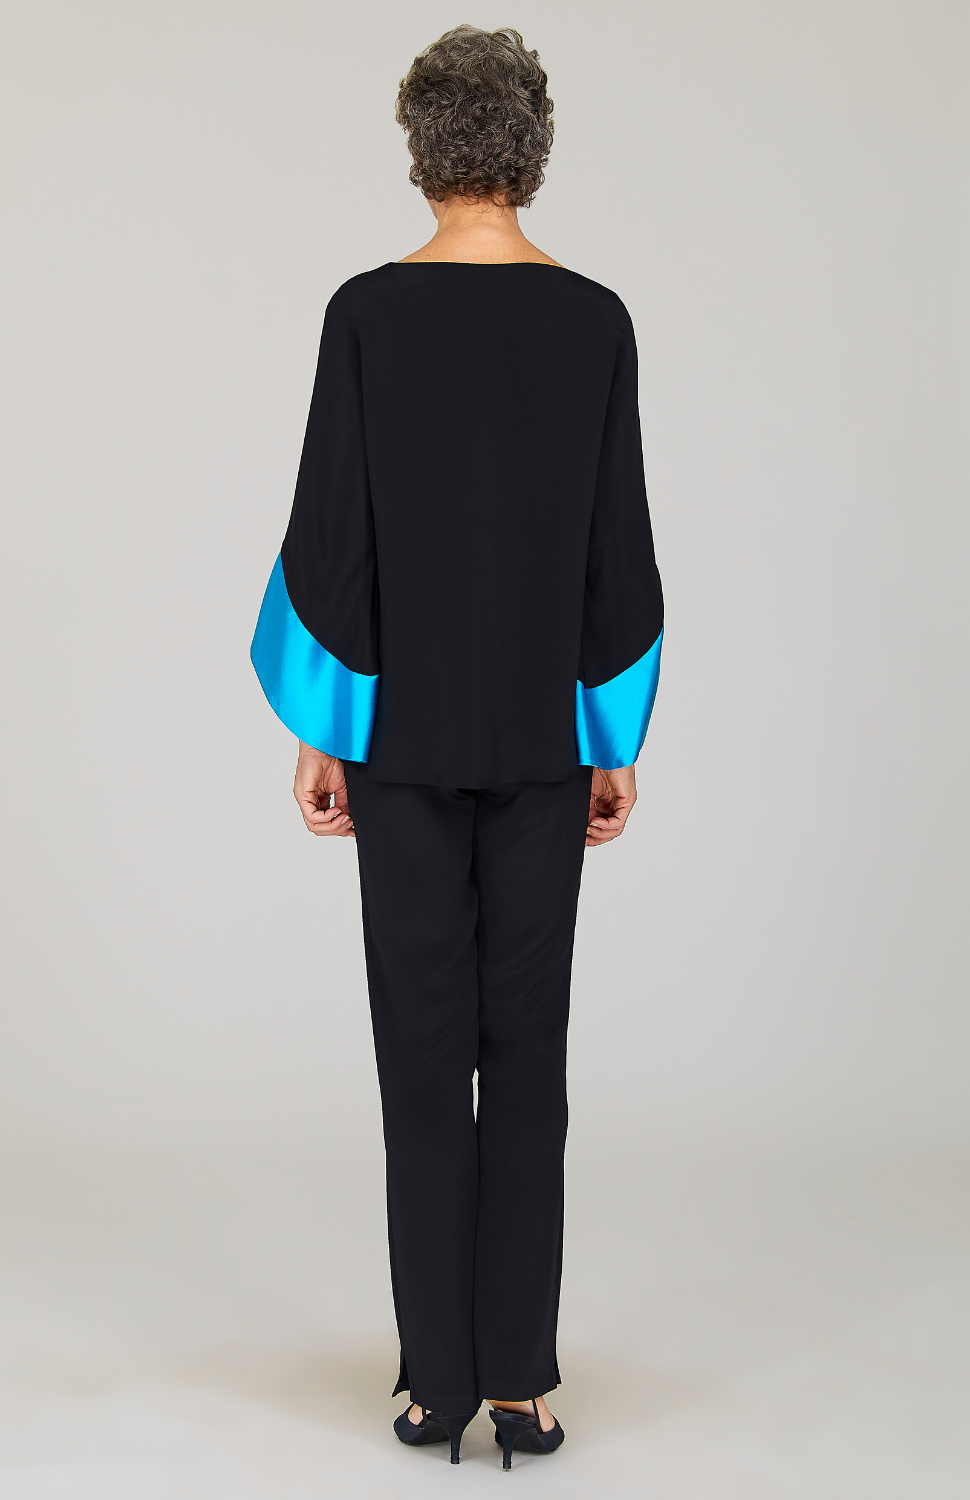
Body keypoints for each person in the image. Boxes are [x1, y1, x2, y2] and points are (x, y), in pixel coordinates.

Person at [251, 24, 663, 1471]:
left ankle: (434, 1384)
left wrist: (327, 728)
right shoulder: (595, 321)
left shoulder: (366, 315)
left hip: (403, 740)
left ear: (422, 150)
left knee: (421, 1055)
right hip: (545, 739)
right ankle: (523, 1384)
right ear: (529, 150)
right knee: (528, 1052)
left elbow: (334, 531)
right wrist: (611, 735)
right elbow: (616, 542)